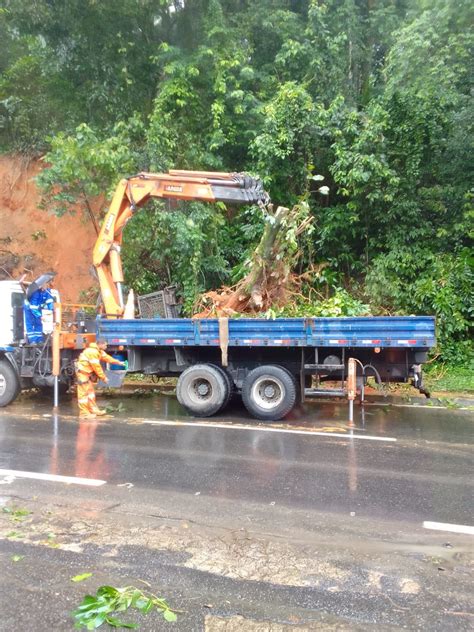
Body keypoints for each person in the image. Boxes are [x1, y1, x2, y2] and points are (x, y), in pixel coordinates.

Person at [75, 339, 126, 419]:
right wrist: (104, 377)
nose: (106, 347)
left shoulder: (98, 351)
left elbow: (107, 357)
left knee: (90, 394)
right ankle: (84, 414)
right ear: (101, 344)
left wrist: (118, 362)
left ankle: (93, 410)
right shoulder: (92, 352)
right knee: (83, 396)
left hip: (87, 375)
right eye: (105, 345)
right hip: (83, 375)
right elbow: (97, 367)